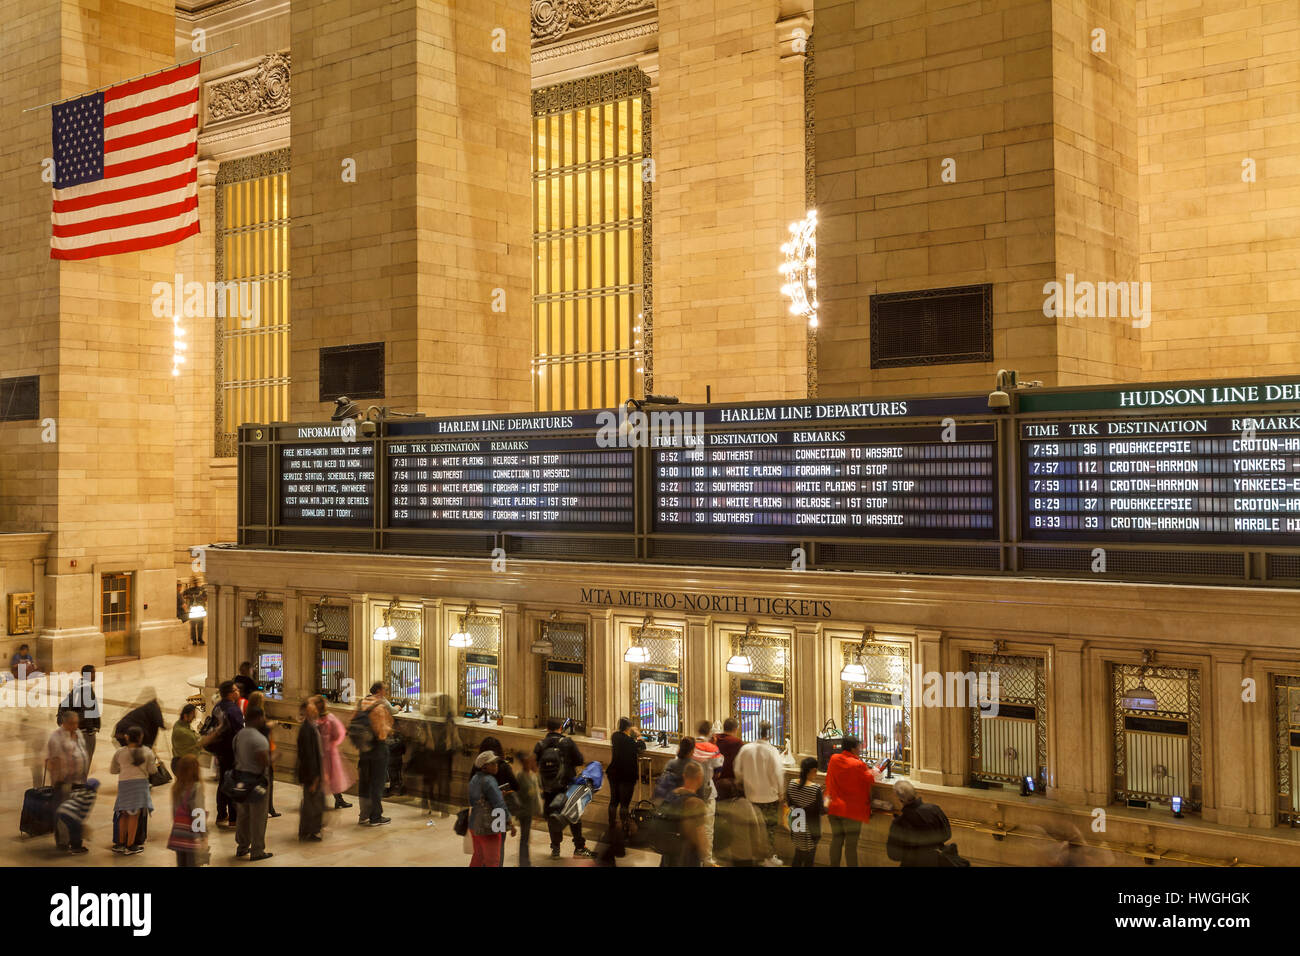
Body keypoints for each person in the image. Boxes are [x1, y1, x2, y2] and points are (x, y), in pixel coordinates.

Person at [533, 716, 590, 859]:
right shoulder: (567, 742)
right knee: (574, 815)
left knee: (553, 818)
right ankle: (579, 847)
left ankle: (556, 849)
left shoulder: (540, 745)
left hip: (549, 789)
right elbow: (579, 760)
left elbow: (536, 764)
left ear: (547, 728)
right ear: (560, 728)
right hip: (567, 786)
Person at [733, 719, 785, 865]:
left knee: (753, 830)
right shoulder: (772, 751)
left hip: (751, 797)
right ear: (770, 734)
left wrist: (744, 783)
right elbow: (778, 774)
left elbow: (737, 770)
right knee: (769, 830)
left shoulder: (746, 749)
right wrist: (781, 792)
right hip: (770, 798)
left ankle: (754, 857)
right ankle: (767, 858)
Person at [825, 735, 874, 867]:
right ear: (853, 748)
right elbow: (870, 779)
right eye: (859, 746)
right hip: (851, 812)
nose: (860, 749)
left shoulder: (833, 759)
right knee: (851, 847)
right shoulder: (858, 764)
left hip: (834, 808)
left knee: (836, 840)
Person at [233, 706, 273, 861]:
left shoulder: (239, 735)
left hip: (241, 779)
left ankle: (242, 846)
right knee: (258, 816)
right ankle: (257, 850)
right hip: (257, 781)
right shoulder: (259, 739)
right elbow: (264, 762)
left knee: (243, 815)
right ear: (257, 719)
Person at [110, 726, 157, 856]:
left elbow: (113, 770)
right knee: (134, 816)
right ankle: (130, 845)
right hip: (139, 785)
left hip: (124, 784)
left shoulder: (120, 752)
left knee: (123, 814)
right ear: (141, 737)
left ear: (127, 737)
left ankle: (120, 844)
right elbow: (153, 770)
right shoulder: (147, 752)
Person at [886, 779, 953, 866]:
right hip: (936, 861)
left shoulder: (900, 822)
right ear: (915, 793)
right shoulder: (934, 809)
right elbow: (947, 834)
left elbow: (894, 855)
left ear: (900, 800)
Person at [658, 761, 709, 868]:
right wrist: (705, 854)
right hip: (686, 858)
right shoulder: (696, 803)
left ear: (684, 776)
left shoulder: (671, 795)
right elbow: (700, 834)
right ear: (700, 779)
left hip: (668, 855)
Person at [478, 736, 519, 866]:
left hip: (481, 811)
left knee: (482, 846)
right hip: (498, 813)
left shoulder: (478, 767)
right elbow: (516, 786)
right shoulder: (504, 766)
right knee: (498, 845)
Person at [468, 751, 515, 867]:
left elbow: (473, 800)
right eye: (492, 763)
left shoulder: (474, 779)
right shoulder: (490, 781)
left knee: (478, 857)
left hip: (474, 823)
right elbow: (499, 804)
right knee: (493, 861)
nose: (496, 765)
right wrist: (510, 821)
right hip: (490, 826)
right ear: (484, 767)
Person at [356, 682, 393, 826]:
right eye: (386, 689)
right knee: (377, 783)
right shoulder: (379, 706)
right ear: (380, 691)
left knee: (364, 782)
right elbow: (382, 732)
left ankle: (364, 814)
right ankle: (376, 817)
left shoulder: (362, 702)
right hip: (377, 749)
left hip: (363, 749)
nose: (387, 691)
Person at [210, 680, 245, 829]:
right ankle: (233, 818)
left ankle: (221, 814)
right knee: (233, 783)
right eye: (236, 690)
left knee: (223, 782)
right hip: (232, 752)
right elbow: (240, 733)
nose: (238, 692)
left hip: (220, 750)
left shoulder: (217, 706)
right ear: (231, 693)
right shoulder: (234, 710)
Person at [310, 694, 354, 809]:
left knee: (330, 776)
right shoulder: (328, 718)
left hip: (324, 752)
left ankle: (337, 799)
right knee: (330, 776)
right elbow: (339, 733)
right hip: (327, 752)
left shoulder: (316, 719)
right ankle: (335, 800)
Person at [690, 720, 723, 864]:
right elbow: (719, 771)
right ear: (710, 732)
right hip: (708, 794)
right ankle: (707, 859)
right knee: (708, 828)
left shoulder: (690, 746)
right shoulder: (712, 748)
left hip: (690, 794)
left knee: (691, 827)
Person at [605, 717, 644, 837]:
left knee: (613, 801)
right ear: (629, 727)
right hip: (627, 775)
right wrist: (638, 736)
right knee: (624, 804)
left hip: (614, 773)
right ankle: (624, 828)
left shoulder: (615, 737)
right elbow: (641, 747)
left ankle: (611, 825)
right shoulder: (630, 742)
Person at [58, 665, 101, 772]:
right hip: (86, 731)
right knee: (84, 763)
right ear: (88, 674)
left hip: (80, 730)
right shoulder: (86, 689)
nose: (95, 675)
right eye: (93, 673)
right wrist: (90, 728)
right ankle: (79, 785)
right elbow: (86, 711)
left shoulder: (79, 686)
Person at [46, 710, 88, 817]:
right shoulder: (56, 737)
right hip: (63, 781)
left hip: (78, 779)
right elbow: (51, 760)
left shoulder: (78, 733)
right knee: (62, 807)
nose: (75, 726)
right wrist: (58, 779)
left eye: (76, 723)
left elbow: (82, 750)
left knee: (75, 808)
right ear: (64, 723)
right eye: (72, 723)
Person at [167, 755, 207, 866]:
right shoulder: (196, 787)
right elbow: (197, 812)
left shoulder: (176, 787)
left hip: (178, 832)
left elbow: (174, 813)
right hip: (191, 834)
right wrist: (203, 834)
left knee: (181, 863)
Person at [785, 757, 825, 867]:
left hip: (796, 827)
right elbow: (822, 810)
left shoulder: (792, 784)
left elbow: (789, 803)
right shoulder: (815, 789)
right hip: (811, 830)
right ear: (812, 770)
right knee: (809, 859)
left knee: (798, 856)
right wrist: (828, 801)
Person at [248, 690, 280, 817]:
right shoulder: (258, 713)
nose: (265, 699)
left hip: (259, 750)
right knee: (267, 780)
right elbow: (263, 728)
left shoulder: (249, 712)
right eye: (262, 698)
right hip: (264, 750)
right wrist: (272, 724)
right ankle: (268, 808)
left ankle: (270, 807)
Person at [297, 698, 325, 841]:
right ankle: (310, 831)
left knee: (313, 801)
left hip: (313, 773)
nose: (315, 710)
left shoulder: (311, 726)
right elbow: (308, 755)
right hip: (311, 774)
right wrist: (314, 777)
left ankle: (308, 829)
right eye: (312, 708)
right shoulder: (307, 729)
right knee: (312, 803)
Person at [54, 778, 99, 855]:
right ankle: (76, 847)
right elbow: (85, 809)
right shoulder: (92, 795)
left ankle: (69, 844)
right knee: (76, 830)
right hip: (71, 814)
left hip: (62, 810)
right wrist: (81, 820)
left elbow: (72, 794)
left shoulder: (79, 791)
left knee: (72, 829)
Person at [514, 750, 543, 867]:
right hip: (523, 812)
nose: (530, 763)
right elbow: (517, 796)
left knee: (526, 838)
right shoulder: (520, 776)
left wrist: (538, 811)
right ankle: (524, 863)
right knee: (524, 839)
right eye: (528, 762)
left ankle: (525, 862)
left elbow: (536, 795)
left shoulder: (532, 776)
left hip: (529, 811)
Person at [171, 704, 205, 773]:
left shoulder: (178, 724)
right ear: (185, 716)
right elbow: (199, 743)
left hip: (180, 762)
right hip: (184, 766)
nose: (194, 717)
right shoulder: (183, 732)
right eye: (193, 715)